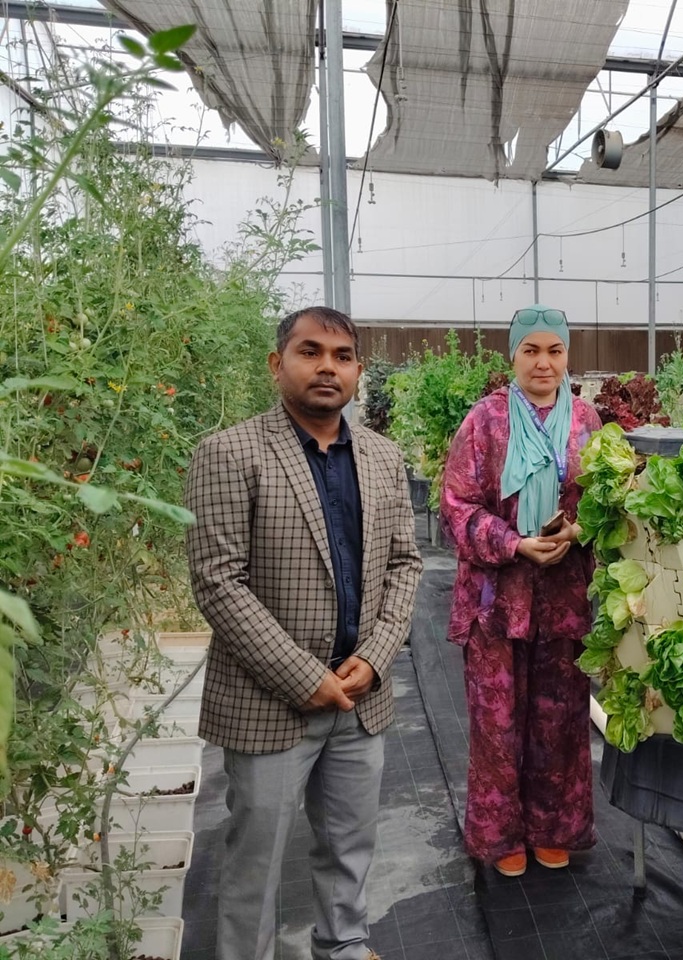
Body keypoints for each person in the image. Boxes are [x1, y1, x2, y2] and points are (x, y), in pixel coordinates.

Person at [185, 307, 423, 960]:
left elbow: (405, 563)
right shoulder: (230, 453)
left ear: (358, 371)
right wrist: (303, 676)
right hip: (269, 702)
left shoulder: (381, 456)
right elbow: (218, 582)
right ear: (277, 363)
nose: (327, 367)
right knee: (255, 858)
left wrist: (373, 658)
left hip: (358, 694)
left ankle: (343, 944)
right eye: (310, 351)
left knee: (350, 842)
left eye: (342, 355)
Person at [440, 304, 601, 878]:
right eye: (531, 350)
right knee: (497, 719)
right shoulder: (485, 421)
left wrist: (579, 529)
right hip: (498, 598)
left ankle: (554, 826)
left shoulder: (587, 420)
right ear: (513, 355)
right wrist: (513, 544)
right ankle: (503, 833)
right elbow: (456, 506)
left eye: (554, 350)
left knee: (560, 717)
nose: (543, 362)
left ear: (567, 356)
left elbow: (608, 495)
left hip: (562, 594)